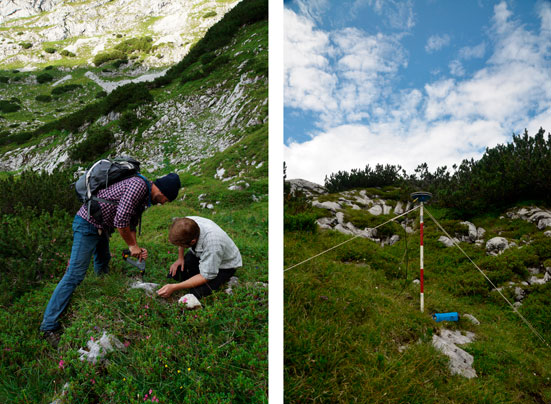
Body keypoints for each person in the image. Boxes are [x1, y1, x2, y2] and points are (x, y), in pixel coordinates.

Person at [40, 173, 181, 347]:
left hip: (101, 226)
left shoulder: (145, 196)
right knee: (74, 275)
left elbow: (132, 223)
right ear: (164, 190)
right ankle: (48, 327)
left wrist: (136, 247)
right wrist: (131, 246)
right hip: (87, 223)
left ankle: (102, 288)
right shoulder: (138, 186)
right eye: (166, 198)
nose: (164, 202)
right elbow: (121, 221)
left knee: (103, 259)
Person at [156, 216, 242, 299]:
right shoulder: (186, 222)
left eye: (181, 245)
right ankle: (196, 273)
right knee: (175, 274)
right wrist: (180, 258)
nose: (179, 246)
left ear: (192, 241)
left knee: (196, 293)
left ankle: (224, 277)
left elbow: (206, 276)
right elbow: (181, 240)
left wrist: (175, 287)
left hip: (224, 265)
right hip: (199, 253)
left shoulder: (213, 245)